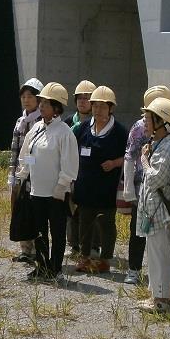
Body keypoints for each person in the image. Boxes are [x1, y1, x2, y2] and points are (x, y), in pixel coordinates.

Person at [16, 82, 79, 281]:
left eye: (46, 103)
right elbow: (27, 153)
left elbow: (70, 163)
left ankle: (56, 268)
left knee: (58, 232)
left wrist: (62, 187)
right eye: (40, 102)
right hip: (36, 191)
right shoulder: (35, 129)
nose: (41, 106)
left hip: (55, 194)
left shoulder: (64, 132)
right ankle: (42, 266)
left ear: (57, 107)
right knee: (40, 231)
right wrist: (23, 172)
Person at [121, 86, 170, 285]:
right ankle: (134, 269)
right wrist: (128, 188)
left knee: (165, 235)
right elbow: (130, 157)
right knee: (138, 230)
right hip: (141, 188)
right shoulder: (139, 128)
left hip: (162, 192)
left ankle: (166, 273)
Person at [136, 97, 170, 312]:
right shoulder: (160, 145)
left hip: (161, 212)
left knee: (160, 256)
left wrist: (144, 161)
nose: (145, 122)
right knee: (155, 255)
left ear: (161, 122)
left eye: (148, 118)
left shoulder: (167, 149)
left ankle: (162, 301)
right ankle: (156, 296)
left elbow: (155, 179)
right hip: (155, 212)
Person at [73, 86, 127, 274]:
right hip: (85, 186)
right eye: (95, 106)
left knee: (106, 225)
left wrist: (114, 163)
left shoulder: (119, 131)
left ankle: (105, 260)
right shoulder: (83, 128)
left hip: (107, 189)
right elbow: (71, 149)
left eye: (102, 106)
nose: (98, 110)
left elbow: (130, 157)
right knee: (84, 222)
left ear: (111, 108)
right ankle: (84, 257)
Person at [9, 78, 43, 264]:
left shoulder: (42, 120)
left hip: (36, 174)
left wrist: (27, 166)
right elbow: (14, 149)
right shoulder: (21, 121)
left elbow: (38, 151)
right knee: (20, 210)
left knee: (35, 211)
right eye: (23, 96)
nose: (26, 99)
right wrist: (12, 173)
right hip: (20, 174)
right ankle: (25, 249)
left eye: (30, 96)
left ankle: (38, 249)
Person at [68, 79, 97, 254]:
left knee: (91, 212)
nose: (82, 101)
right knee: (71, 211)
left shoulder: (99, 123)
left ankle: (92, 245)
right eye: (79, 97)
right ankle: (74, 245)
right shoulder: (68, 122)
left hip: (91, 174)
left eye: (87, 97)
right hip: (71, 173)